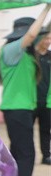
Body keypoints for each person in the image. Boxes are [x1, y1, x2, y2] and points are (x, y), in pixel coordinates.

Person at [0, 5, 51, 176]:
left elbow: (36, 37)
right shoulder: (11, 50)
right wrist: (46, 8)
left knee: (18, 154)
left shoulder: (28, 55)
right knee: (26, 154)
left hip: (22, 110)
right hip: (16, 109)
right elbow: (30, 36)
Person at [36, 33, 51, 166]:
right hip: (31, 100)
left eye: (50, 38)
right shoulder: (32, 56)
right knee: (26, 130)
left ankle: (46, 155)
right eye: (46, 38)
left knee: (45, 130)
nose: (48, 41)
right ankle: (22, 155)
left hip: (47, 100)